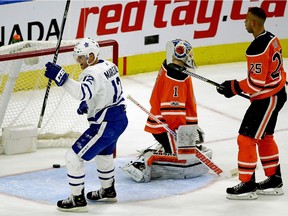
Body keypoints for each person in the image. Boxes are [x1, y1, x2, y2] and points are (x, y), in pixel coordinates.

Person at [44, 37, 128, 212]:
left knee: (73, 157)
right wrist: (90, 104)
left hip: (105, 124)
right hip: (120, 119)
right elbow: (104, 91)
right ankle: (108, 190)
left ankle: (77, 200)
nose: (79, 61)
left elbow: (82, 92)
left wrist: (62, 78)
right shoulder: (110, 66)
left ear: (91, 56)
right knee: (104, 154)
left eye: (81, 57)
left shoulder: (91, 73)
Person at [216, 7, 287, 200]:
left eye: (246, 20)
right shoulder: (272, 38)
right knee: (265, 137)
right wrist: (236, 87)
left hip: (268, 98)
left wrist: (233, 87)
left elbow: (256, 83)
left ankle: (247, 184)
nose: (245, 23)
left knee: (246, 138)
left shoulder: (257, 47)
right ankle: (274, 179)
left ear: (254, 23)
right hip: (276, 93)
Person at [121, 39, 211, 182]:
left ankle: (166, 147)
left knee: (185, 151)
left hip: (163, 122)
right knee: (181, 157)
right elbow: (172, 111)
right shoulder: (176, 76)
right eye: (188, 53)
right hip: (165, 125)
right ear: (180, 54)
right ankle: (143, 164)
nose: (191, 57)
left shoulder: (171, 67)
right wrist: (181, 132)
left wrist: (191, 126)